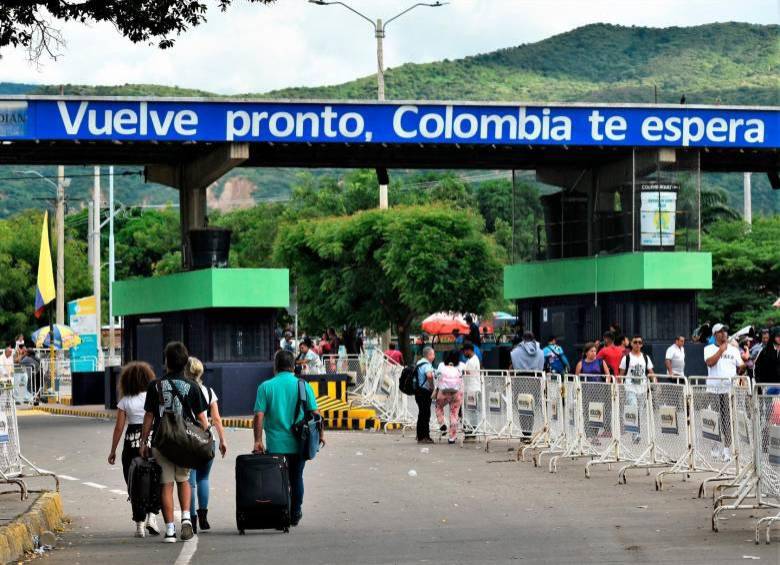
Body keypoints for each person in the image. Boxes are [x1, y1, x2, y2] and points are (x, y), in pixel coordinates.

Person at [140, 342, 209, 543]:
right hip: (185, 442)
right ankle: (186, 517)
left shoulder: (156, 386)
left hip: (162, 441)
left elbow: (149, 417)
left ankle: (170, 530)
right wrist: (208, 438)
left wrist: (144, 442)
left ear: (166, 362)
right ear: (185, 362)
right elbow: (202, 419)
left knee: (166, 485)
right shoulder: (193, 386)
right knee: (184, 479)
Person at [253, 349, 324, 526]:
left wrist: (258, 440)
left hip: (276, 445)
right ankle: (295, 512)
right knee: (297, 477)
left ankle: (280, 511)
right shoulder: (303, 386)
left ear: (275, 366)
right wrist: (321, 435)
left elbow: (259, 416)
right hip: (299, 444)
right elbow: (315, 414)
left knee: (279, 480)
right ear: (293, 366)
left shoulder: (265, 387)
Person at [108, 362, 159, 538]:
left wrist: (113, 450)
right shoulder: (153, 397)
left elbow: (119, 428)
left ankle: (139, 525)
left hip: (131, 443)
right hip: (151, 440)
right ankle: (152, 516)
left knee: (134, 482)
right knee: (155, 479)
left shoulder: (125, 401)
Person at [184, 357, 227, 534]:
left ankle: (192, 520)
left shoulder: (183, 390)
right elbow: (216, 419)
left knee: (191, 481)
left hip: (188, 440)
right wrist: (223, 440)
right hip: (208, 440)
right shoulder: (209, 391)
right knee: (204, 478)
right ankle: (203, 517)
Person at [704, 323, 746, 461]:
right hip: (714, 389)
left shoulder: (734, 350)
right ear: (715, 334)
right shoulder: (709, 348)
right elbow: (709, 362)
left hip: (729, 390)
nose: (724, 334)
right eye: (721, 332)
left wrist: (743, 367)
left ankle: (727, 450)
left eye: (725, 332)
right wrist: (721, 351)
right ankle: (715, 446)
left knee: (727, 420)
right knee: (714, 418)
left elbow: (740, 366)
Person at [619, 335, 655, 442]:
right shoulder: (627, 358)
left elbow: (651, 372)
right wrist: (620, 387)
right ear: (631, 343)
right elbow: (621, 374)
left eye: (639, 342)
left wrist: (655, 383)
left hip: (642, 388)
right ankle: (636, 434)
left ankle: (635, 430)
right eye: (635, 342)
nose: (637, 344)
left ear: (642, 344)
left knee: (640, 411)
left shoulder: (645, 357)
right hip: (630, 387)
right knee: (633, 407)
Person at [434, 350, 464, 444]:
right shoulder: (461, 365)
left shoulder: (441, 365)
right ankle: (452, 437)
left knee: (438, 407)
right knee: (454, 413)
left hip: (443, 393)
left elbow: (436, 376)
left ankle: (442, 423)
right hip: (456, 393)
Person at [414, 347, 436, 444]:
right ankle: (425, 437)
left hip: (418, 391)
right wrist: (432, 387)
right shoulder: (427, 364)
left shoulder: (419, 363)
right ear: (429, 355)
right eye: (433, 354)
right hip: (425, 391)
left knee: (421, 413)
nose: (434, 356)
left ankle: (420, 435)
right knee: (426, 414)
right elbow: (429, 376)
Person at [753, 326, 780, 390]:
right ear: (773, 336)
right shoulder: (765, 351)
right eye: (778, 336)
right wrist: (761, 385)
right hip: (768, 387)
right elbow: (757, 368)